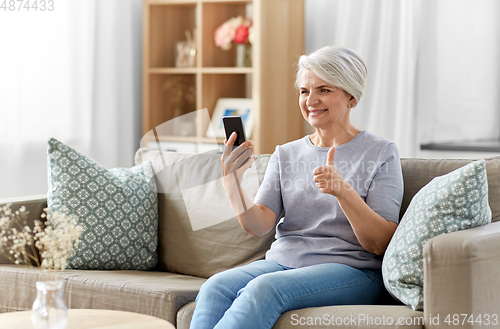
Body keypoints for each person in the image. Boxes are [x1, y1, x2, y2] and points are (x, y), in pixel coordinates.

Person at [189, 46, 404, 329]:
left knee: (264, 289)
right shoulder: (285, 153)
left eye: (324, 90)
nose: (311, 100)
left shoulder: (381, 152)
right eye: (304, 91)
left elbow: (379, 243)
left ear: (351, 96)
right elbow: (258, 225)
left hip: (352, 269)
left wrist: (343, 191)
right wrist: (231, 181)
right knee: (215, 286)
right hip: (284, 263)